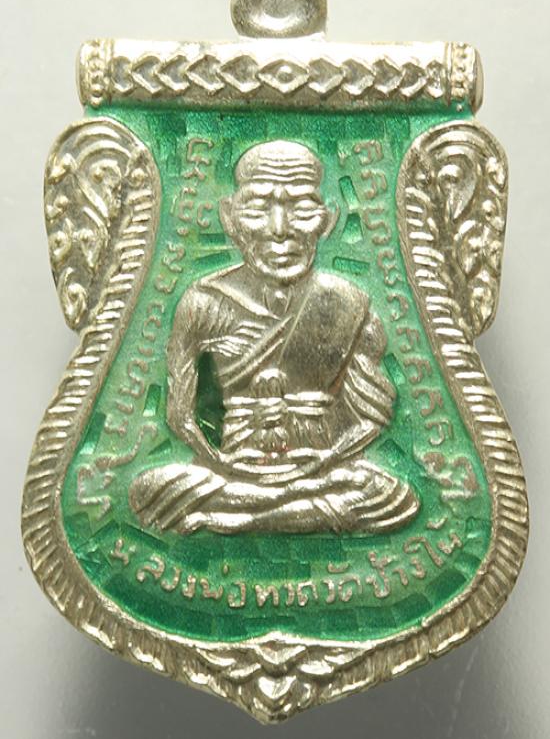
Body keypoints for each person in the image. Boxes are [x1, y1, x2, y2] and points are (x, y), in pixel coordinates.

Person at [129, 140, 419, 534]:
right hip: (232, 471)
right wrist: (222, 463)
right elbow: (180, 416)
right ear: (229, 218)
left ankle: (241, 519)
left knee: (393, 496)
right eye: (257, 210)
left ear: (328, 219)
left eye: (302, 210)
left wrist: (324, 462)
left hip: (321, 470)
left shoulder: (347, 303)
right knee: (147, 490)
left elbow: (371, 418)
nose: (280, 230)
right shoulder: (203, 302)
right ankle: (286, 512)